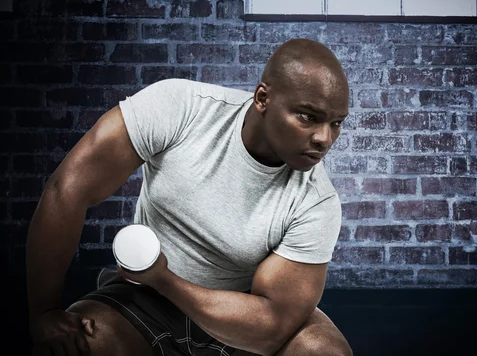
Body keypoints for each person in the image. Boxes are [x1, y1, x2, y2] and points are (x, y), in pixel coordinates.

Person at [26, 38, 353, 356]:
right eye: (308, 117)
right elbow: (67, 190)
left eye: (336, 123)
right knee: (74, 347)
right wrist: (44, 313)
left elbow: (270, 329)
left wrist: (164, 279)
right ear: (263, 98)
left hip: (237, 317)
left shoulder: (316, 202)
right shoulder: (182, 108)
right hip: (141, 301)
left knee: (323, 352)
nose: (324, 138)